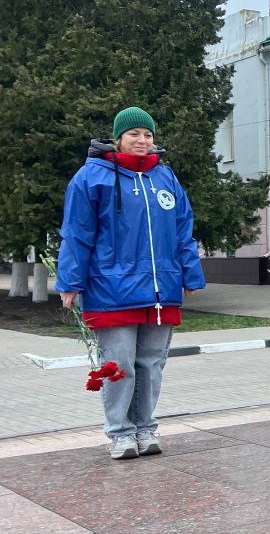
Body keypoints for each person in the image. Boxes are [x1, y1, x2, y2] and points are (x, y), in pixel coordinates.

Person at [55, 106, 206, 460]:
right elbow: (76, 233)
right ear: (118, 138)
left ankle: (146, 428)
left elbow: (183, 230)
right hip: (110, 289)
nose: (142, 140)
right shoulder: (92, 177)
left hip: (160, 288)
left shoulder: (165, 178)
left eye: (148, 134)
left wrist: (190, 272)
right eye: (134, 134)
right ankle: (121, 433)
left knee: (152, 362)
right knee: (118, 364)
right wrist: (70, 282)